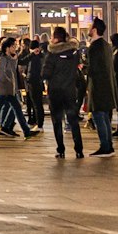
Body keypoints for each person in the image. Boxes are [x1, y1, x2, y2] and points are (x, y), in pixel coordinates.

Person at [43, 27, 86, 158]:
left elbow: (45, 73)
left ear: (56, 38)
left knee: (57, 121)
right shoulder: (74, 53)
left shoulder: (52, 54)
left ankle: (60, 149)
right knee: (73, 120)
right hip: (69, 91)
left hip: (55, 92)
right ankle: (79, 150)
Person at [0, 37, 35, 139]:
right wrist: (10, 81)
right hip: (2, 90)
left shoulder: (10, 59)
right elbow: (1, 74)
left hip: (10, 90)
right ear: (7, 48)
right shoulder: (1, 59)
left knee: (17, 109)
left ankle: (26, 131)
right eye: (13, 46)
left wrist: (14, 59)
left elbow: (13, 70)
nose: (15, 48)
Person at [85, 21, 118, 156]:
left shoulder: (94, 47)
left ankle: (105, 146)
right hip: (108, 86)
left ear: (94, 30)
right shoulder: (107, 46)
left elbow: (92, 69)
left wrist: (84, 70)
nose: (88, 28)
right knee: (104, 116)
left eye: (90, 27)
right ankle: (108, 146)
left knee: (99, 115)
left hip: (98, 87)